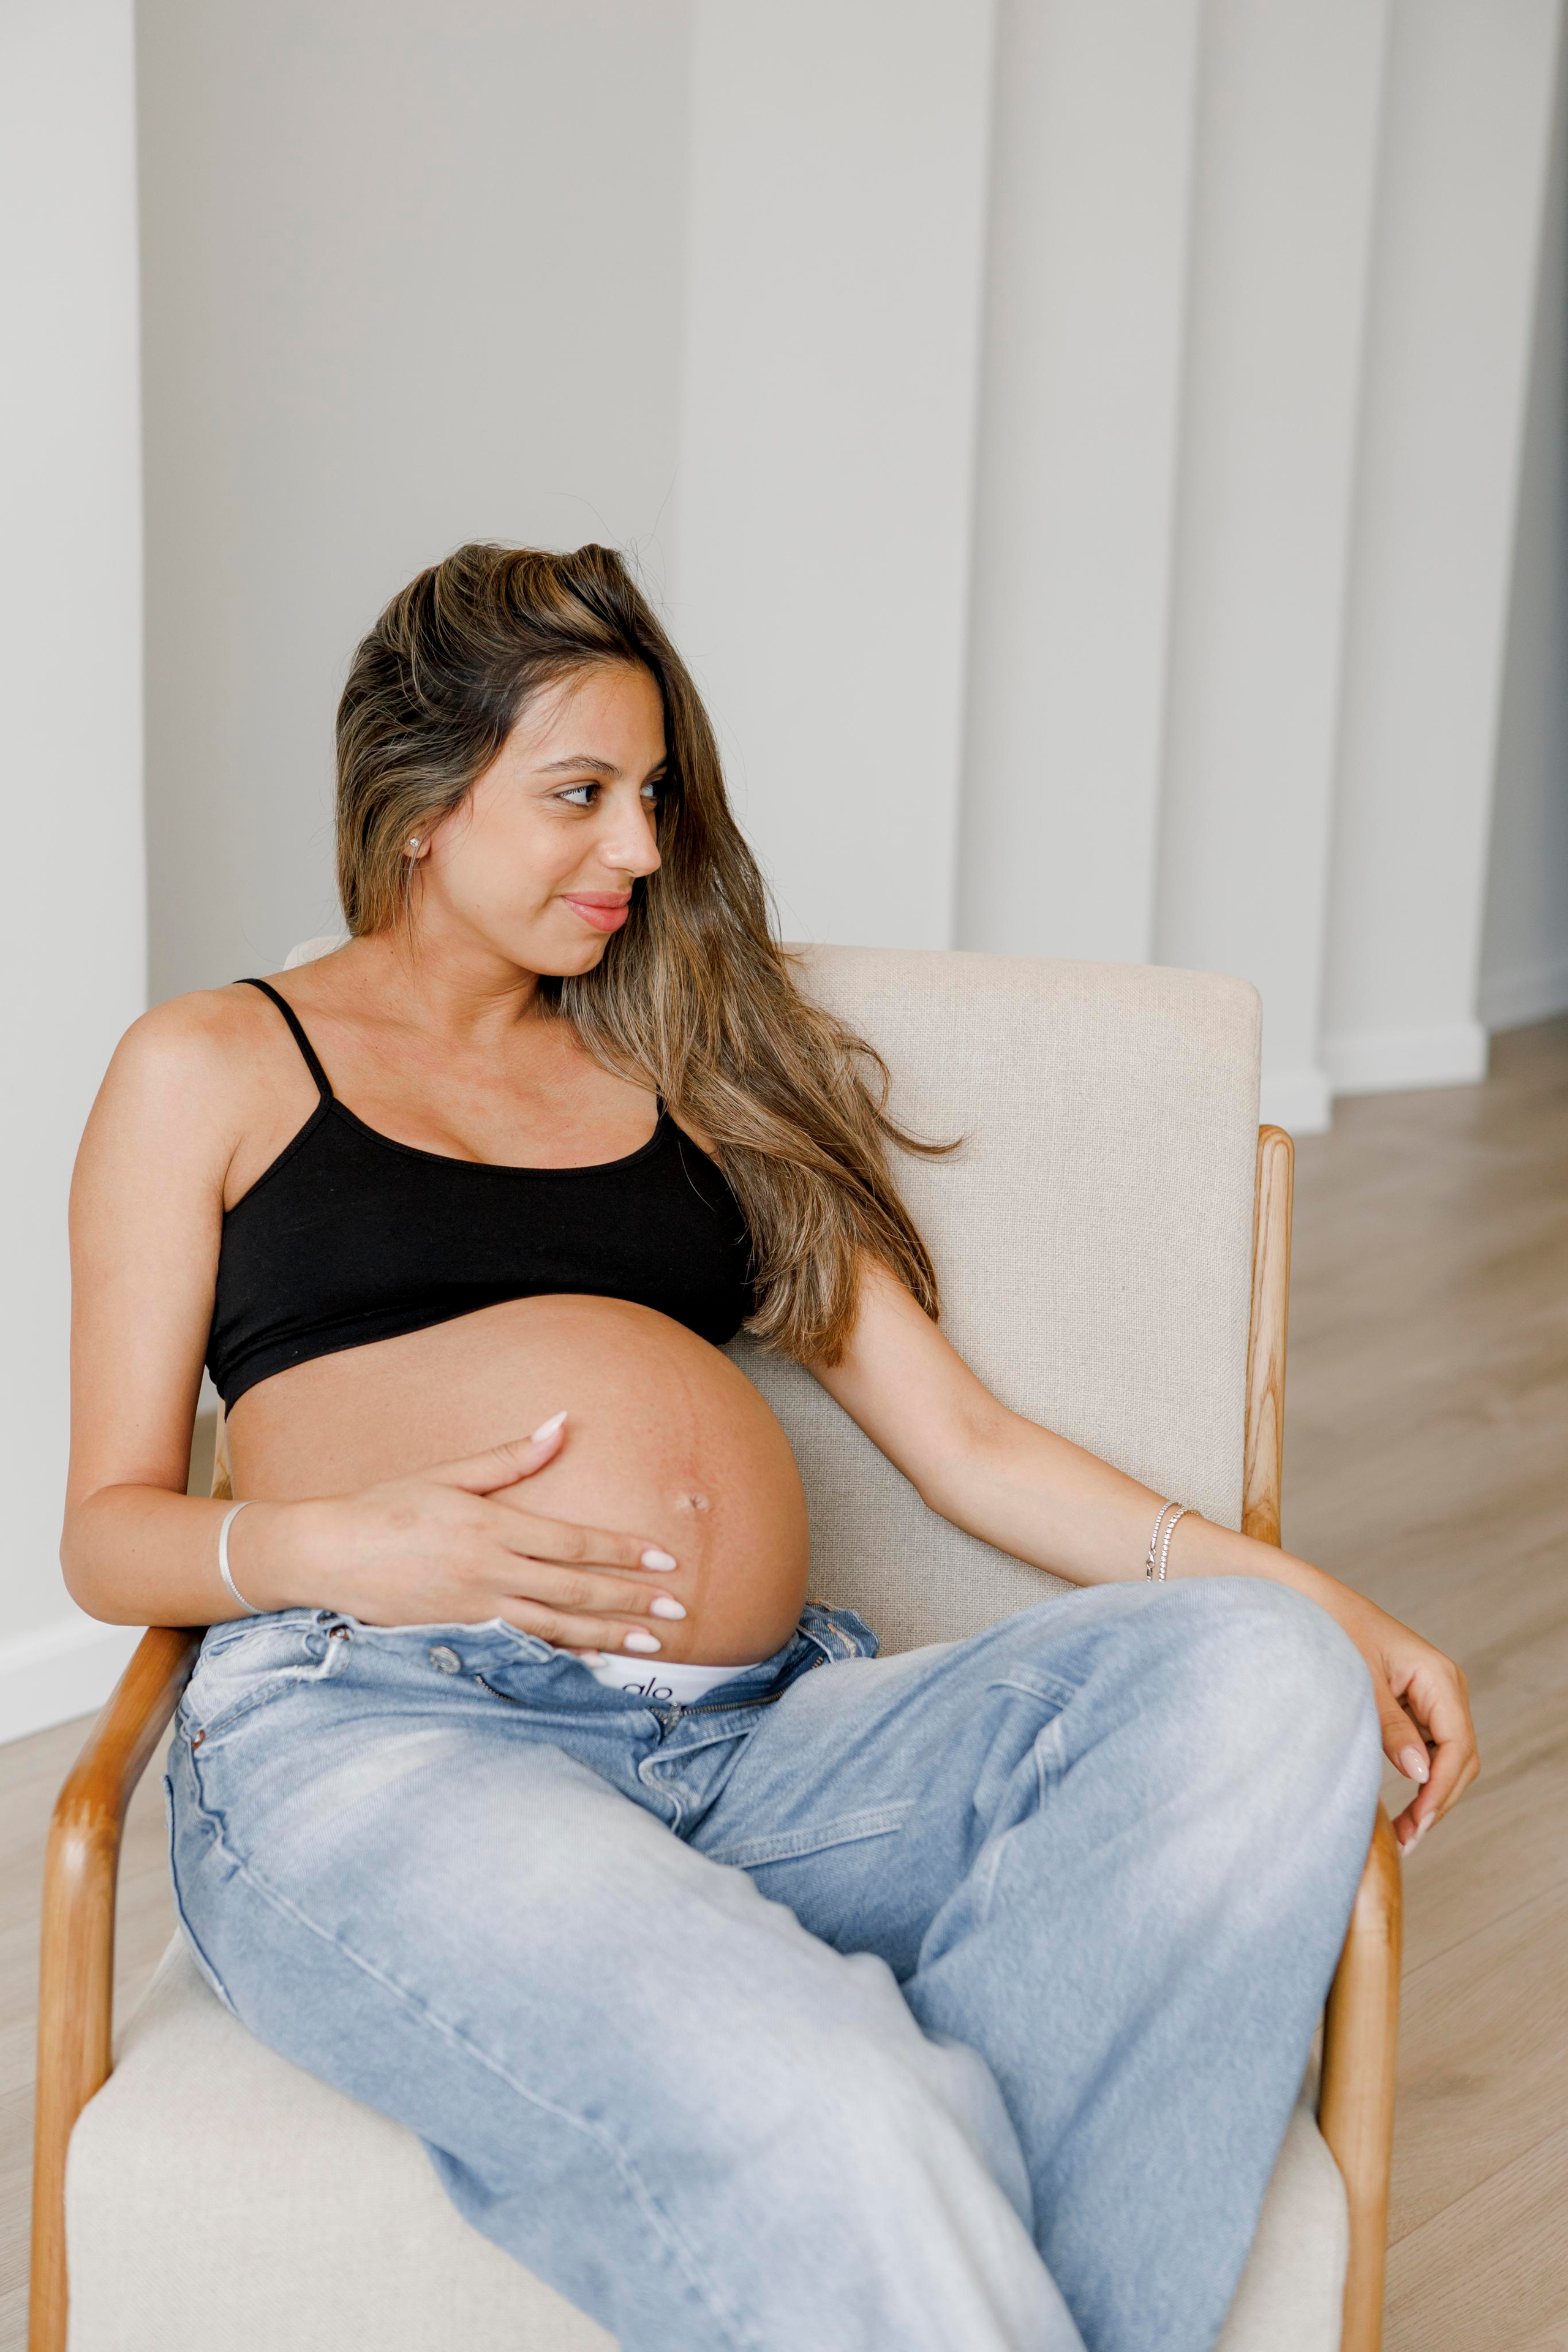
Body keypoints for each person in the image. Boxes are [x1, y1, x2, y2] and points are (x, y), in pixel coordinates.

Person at [64, 542, 1476, 2352]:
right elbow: (109, 1534)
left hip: (759, 1758)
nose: (640, 853)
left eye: (652, 799)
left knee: (1265, 1679)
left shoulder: (697, 1066)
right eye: (577, 796)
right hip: (387, 1736)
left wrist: (1330, 1605)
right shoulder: (211, 1069)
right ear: (422, 803)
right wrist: (337, 1547)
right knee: (839, 2104)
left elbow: (967, 1445)